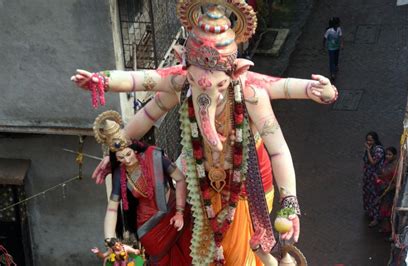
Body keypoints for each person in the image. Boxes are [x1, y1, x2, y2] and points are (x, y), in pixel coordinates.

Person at [72, 2, 339, 265]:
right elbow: (142, 95)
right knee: (197, 248)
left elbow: (279, 147)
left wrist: (289, 200)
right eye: (195, 82)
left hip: (246, 182)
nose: (207, 92)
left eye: (219, 85)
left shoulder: (251, 93)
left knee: (239, 254)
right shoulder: (179, 82)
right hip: (200, 179)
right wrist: (102, 84)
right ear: (183, 65)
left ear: (236, 72)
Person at [92, 111, 192, 265]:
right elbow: (112, 209)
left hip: (175, 214)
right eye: (121, 158)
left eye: (128, 154)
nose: (126, 160)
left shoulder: (155, 157)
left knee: (190, 252)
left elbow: (180, 180)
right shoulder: (120, 173)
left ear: (134, 149)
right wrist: (110, 240)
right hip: (149, 228)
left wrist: (179, 212)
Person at [363, 131, 385, 227]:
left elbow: (373, 162)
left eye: (370, 140)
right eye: (367, 140)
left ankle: (376, 218)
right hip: (368, 177)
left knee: (375, 197)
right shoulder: (371, 148)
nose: (368, 142)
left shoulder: (378, 151)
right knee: (368, 195)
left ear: (375, 140)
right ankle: (370, 212)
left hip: (375, 178)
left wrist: (368, 150)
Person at [375, 147, 397, 234]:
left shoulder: (395, 167)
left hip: (389, 192)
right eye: (386, 154)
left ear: (394, 155)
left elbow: (395, 183)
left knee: (388, 212)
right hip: (383, 190)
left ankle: (389, 230)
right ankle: (385, 227)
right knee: (383, 210)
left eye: (390, 154)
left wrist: (386, 189)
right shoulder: (386, 163)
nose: (387, 156)